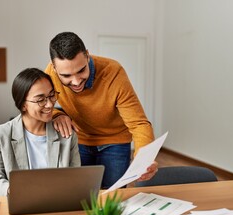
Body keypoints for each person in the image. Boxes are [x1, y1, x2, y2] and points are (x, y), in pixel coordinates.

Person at [44, 32, 157, 189]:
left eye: (81, 70)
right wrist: (58, 115)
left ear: (88, 55)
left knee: (113, 198)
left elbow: (139, 123)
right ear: (54, 68)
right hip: (81, 140)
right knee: (78, 194)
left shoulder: (113, 72)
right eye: (66, 75)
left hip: (115, 142)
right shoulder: (49, 74)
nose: (76, 81)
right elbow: (42, 106)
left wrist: (144, 158)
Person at [0, 68, 81, 197]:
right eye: (40, 100)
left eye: (52, 95)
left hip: (57, 205)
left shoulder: (66, 134)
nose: (50, 104)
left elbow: (75, 179)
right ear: (23, 104)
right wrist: (15, 190)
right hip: (20, 205)